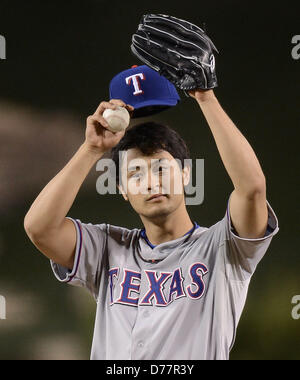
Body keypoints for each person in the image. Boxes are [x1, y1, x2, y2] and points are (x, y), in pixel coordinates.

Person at [24, 88, 279, 360]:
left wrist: (206, 97)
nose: (151, 182)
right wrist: (90, 149)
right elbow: (39, 228)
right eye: (135, 174)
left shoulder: (224, 248)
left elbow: (252, 189)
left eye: (161, 168)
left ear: (185, 175)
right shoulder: (107, 248)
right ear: (122, 189)